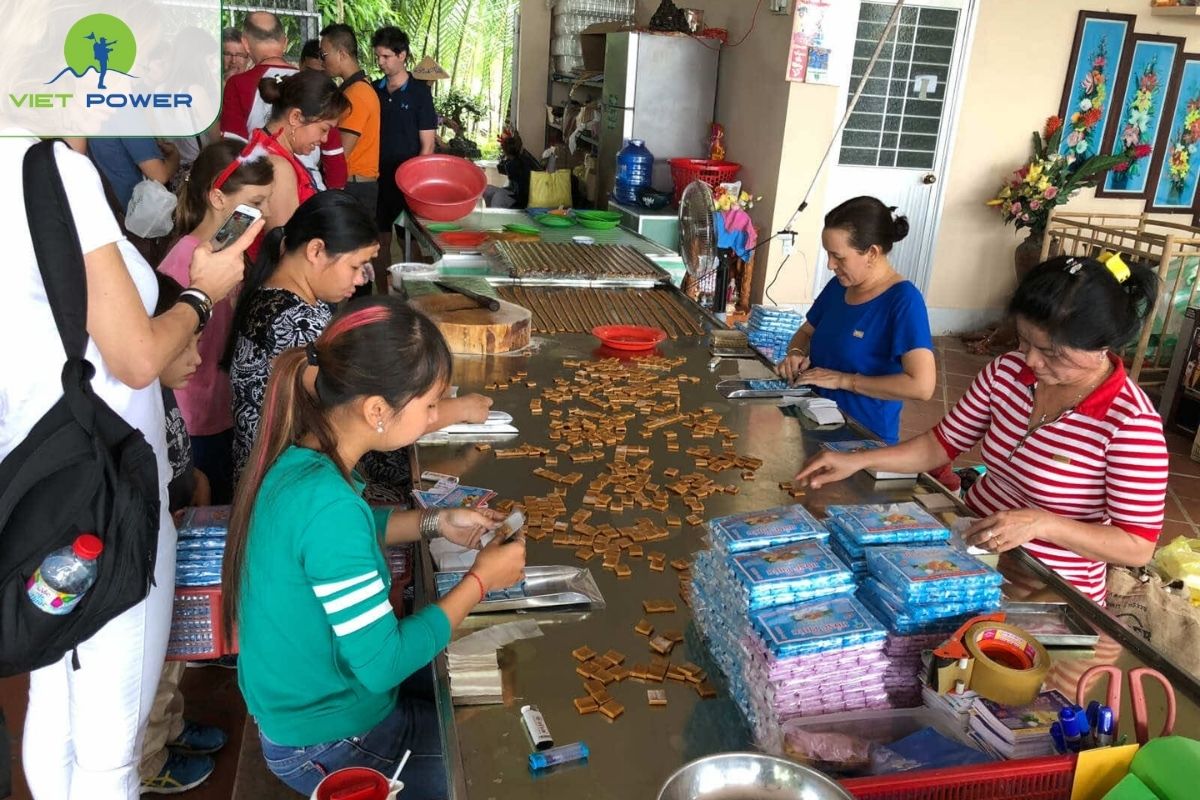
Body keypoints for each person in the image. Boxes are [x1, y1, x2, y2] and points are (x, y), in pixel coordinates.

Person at [1, 134, 260, 799]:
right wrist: (199, 298)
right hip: (106, 488)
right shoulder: (52, 166)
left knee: (55, 694)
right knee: (109, 755)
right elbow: (135, 357)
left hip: (39, 475)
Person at [223, 296, 526, 795]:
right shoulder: (328, 506)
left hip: (315, 701)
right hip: (330, 743)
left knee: (490, 694)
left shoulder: (302, 455)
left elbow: (352, 531)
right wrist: (481, 581)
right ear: (377, 410)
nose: (435, 414)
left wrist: (435, 522)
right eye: (430, 404)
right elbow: (383, 662)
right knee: (501, 766)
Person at [796, 255, 1169, 605]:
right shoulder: (1007, 372)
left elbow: (1136, 545)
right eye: (1025, 342)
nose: (1033, 361)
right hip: (971, 551)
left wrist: (1040, 523)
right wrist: (859, 460)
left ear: (1102, 346)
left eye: (1053, 353)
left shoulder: (1130, 423)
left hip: (1050, 585)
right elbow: (940, 444)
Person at [227, 192, 491, 500]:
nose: (362, 278)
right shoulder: (294, 322)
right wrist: (459, 409)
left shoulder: (280, 296)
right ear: (316, 250)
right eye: (356, 265)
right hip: (298, 493)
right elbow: (371, 407)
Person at [139, 274, 227, 795]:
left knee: (171, 656)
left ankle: (170, 729)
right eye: (186, 341)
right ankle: (149, 760)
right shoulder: (134, 399)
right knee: (150, 667)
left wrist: (194, 479)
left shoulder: (164, 390)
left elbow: (175, 453)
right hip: (151, 549)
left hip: (175, 537)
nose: (196, 355)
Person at [158, 140, 274, 504]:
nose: (264, 213)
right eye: (255, 203)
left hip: (220, 411)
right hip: (193, 420)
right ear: (218, 197)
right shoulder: (184, 262)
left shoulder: (229, 253)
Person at [776, 196, 936, 447]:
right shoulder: (839, 287)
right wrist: (795, 353)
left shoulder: (903, 301)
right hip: (815, 420)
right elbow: (805, 333)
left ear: (872, 253)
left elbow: (922, 386)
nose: (830, 265)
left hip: (861, 437)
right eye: (828, 255)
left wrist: (845, 381)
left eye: (838, 257)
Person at [220, 11, 347, 193]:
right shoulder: (316, 85)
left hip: (262, 189)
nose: (323, 136)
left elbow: (232, 150)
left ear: (246, 44)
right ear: (285, 42)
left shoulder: (239, 84)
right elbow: (334, 157)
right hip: (312, 191)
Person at [237, 69, 349, 263]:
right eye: (324, 129)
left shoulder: (262, 146)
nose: (324, 139)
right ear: (295, 117)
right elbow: (286, 251)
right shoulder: (278, 167)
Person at [372, 26, 436, 293]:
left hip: (407, 183)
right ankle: (384, 299)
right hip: (376, 179)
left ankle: (417, 296)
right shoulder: (374, 90)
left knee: (408, 241)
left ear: (403, 55)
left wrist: (414, 185)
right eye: (378, 56)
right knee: (380, 242)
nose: (381, 62)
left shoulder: (420, 93)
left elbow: (428, 144)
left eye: (386, 56)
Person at [320, 24, 382, 221]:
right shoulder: (354, 89)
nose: (323, 62)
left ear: (341, 54)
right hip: (355, 186)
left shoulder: (357, 94)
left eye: (324, 55)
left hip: (354, 187)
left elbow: (341, 152)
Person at [88, 138, 179, 209]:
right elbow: (160, 176)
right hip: (139, 212)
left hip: (107, 207)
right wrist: (175, 156)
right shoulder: (127, 118)